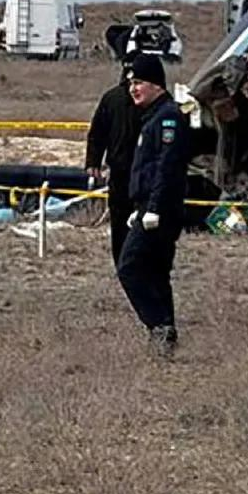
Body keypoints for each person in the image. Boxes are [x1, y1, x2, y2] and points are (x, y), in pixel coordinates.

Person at [116, 55, 191, 356]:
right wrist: (140, 204)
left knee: (130, 268)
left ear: (156, 84)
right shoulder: (152, 117)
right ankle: (166, 336)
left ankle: (159, 326)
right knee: (156, 272)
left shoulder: (167, 118)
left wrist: (155, 207)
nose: (134, 89)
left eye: (139, 83)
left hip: (160, 209)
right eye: (131, 84)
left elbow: (167, 168)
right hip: (148, 205)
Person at [86, 63, 141, 264]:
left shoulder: (152, 103)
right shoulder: (112, 99)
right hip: (119, 170)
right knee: (119, 220)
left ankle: (134, 260)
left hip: (142, 171)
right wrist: (93, 160)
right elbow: (97, 132)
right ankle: (122, 261)